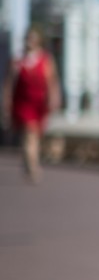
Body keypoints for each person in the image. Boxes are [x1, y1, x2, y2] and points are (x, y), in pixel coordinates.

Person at [2, 28, 61, 183]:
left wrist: (53, 98)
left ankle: (29, 160)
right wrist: (6, 102)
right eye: (28, 38)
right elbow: (9, 84)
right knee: (29, 133)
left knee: (34, 134)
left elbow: (51, 81)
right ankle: (33, 165)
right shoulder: (17, 61)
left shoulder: (45, 59)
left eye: (32, 38)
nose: (29, 41)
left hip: (38, 103)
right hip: (22, 103)